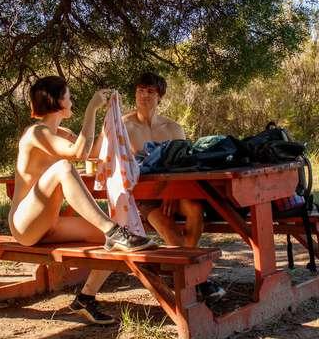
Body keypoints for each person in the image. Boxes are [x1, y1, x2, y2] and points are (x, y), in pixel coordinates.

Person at [8, 76, 156, 325]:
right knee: (63, 168)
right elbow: (77, 154)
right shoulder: (36, 133)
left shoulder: (61, 132)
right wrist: (91, 109)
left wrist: (108, 123)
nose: (72, 100)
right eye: (69, 96)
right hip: (24, 225)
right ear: (57, 102)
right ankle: (112, 230)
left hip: (50, 224)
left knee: (123, 235)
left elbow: (92, 152)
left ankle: (85, 298)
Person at [84, 72, 226, 303]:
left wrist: (174, 192)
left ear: (160, 96)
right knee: (166, 225)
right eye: (140, 90)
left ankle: (184, 270)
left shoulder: (173, 128)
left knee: (194, 209)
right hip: (143, 196)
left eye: (150, 91)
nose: (144, 95)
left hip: (176, 191)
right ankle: (197, 278)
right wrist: (103, 123)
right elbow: (94, 154)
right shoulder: (124, 125)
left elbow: (184, 165)